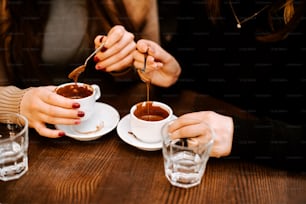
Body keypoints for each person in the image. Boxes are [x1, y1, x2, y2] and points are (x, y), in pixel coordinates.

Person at [134, 0, 306, 170]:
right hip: (191, 157)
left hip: (268, 174)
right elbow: (196, 60)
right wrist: (176, 73)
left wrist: (239, 135)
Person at [0, 0, 161, 138]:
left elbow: (158, 73)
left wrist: (127, 63)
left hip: (120, 132)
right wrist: (16, 102)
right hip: (28, 136)